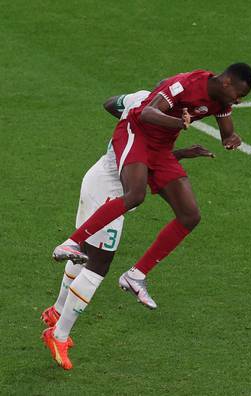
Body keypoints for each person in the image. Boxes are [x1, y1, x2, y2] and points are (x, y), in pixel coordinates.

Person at [42, 90, 217, 370]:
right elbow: (143, 161)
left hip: (97, 177)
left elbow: (110, 103)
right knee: (98, 266)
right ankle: (58, 334)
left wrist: (178, 151)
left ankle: (57, 311)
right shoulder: (164, 116)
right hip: (110, 194)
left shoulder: (142, 98)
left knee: (86, 255)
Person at [52, 62, 251, 301]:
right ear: (227, 82)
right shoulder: (186, 84)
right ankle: (71, 243)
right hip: (137, 132)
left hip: (161, 147)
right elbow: (148, 113)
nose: (239, 100)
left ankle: (135, 275)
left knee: (190, 215)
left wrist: (231, 139)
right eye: (239, 94)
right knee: (135, 194)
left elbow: (227, 133)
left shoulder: (222, 101)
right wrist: (180, 123)